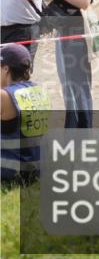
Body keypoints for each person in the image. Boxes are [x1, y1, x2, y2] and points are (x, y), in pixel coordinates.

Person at [44, 0, 99, 129]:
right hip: (68, 32)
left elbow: (84, 1)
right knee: (69, 84)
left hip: (77, 35)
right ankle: (75, 130)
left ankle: (82, 132)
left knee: (78, 85)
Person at [1, 43, 49, 185]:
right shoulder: (40, 91)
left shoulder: (4, 96)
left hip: (10, 171)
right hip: (37, 169)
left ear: (5, 69)